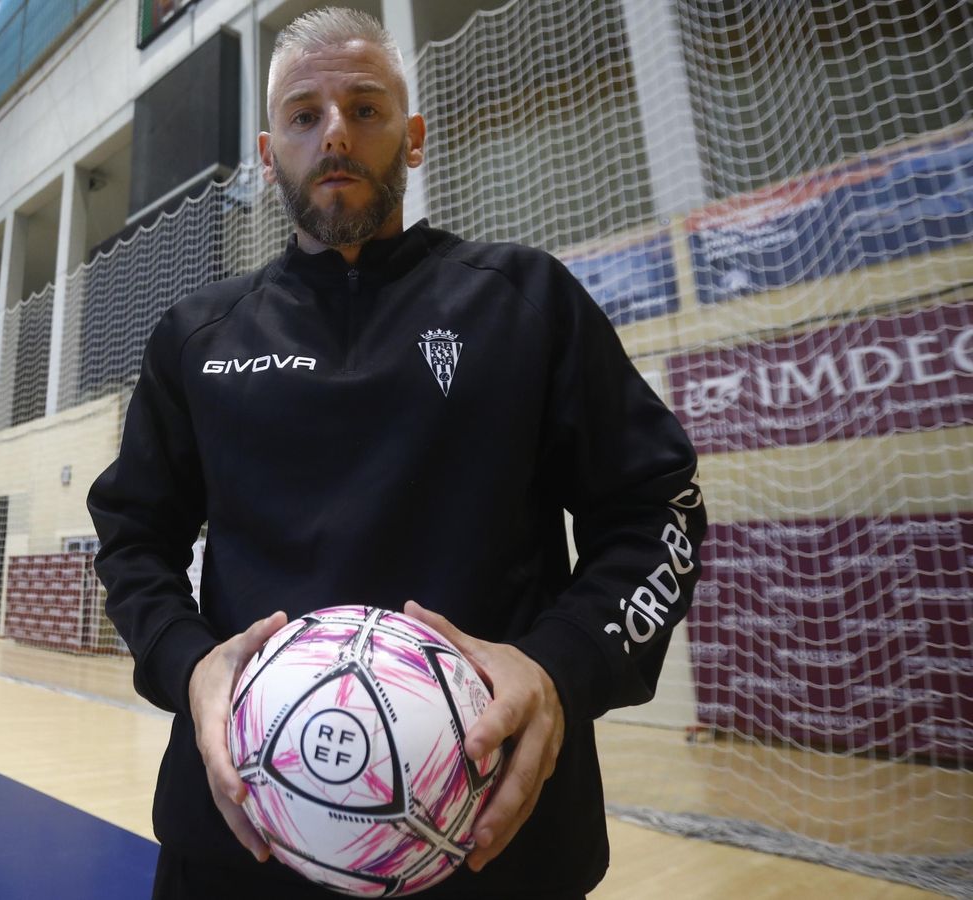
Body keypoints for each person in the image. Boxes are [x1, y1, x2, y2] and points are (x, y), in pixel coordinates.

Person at [88, 8, 706, 898]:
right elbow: (132, 537)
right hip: (242, 840)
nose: (334, 132)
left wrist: (562, 665)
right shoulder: (197, 336)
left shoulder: (523, 301)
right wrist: (188, 661)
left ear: (412, 139)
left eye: (365, 108)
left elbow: (659, 511)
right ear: (268, 154)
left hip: (495, 843)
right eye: (304, 115)